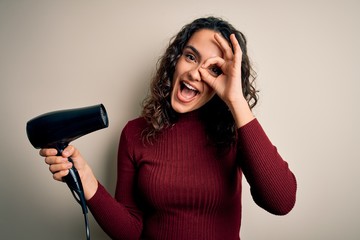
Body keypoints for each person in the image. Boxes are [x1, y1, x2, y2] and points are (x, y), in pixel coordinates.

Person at [40, 16, 297, 240]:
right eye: (190, 56)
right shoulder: (134, 134)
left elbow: (281, 201)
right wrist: (87, 180)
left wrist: (236, 101)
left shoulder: (236, 132)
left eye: (214, 69)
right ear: (175, 61)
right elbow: (130, 231)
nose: (196, 73)